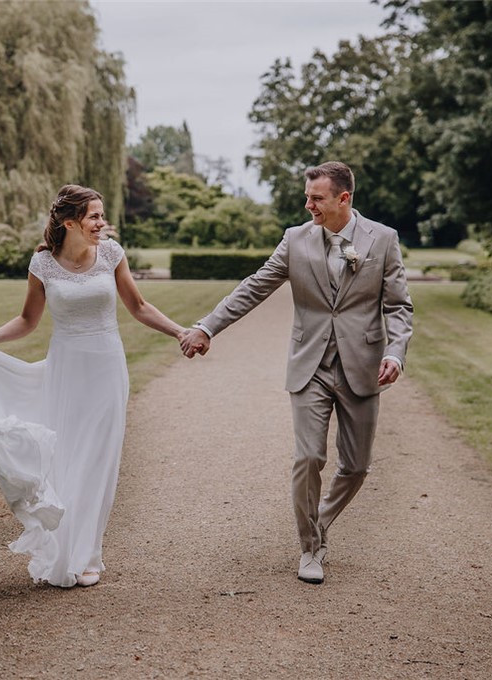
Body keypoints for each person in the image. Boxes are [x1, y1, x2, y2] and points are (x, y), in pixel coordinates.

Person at [180, 161, 413, 585]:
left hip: (361, 368)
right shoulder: (295, 240)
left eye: (317, 198)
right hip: (311, 367)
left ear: (344, 198)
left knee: (357, 467)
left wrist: (395, 353)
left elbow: (398, 305)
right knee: (309, 457)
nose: (308, 205)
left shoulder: (383, 239)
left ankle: (318, 522)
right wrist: (206, 325)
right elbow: (255, 286)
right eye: (307, 197)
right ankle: (310, 547)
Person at [0, 184, 188, 588]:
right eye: (94, 216)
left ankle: (90, 554)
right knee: (66, 459)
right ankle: (63, 548)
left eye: (101, 215)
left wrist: (181, 332)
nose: (102, 223)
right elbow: (27, 320)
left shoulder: (111, 254)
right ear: (69, 222)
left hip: (107, 369)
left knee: (99, 459)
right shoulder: (42, 263)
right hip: (66, 369)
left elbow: (139, 307)